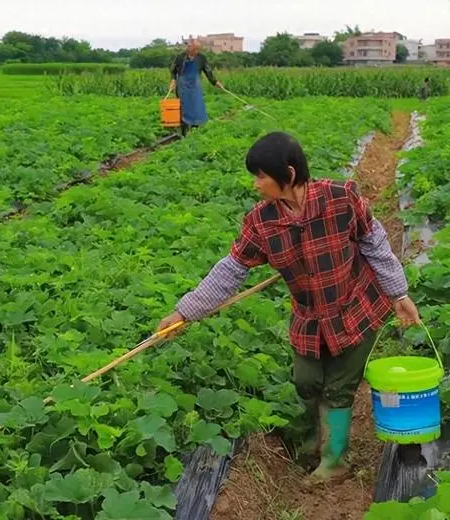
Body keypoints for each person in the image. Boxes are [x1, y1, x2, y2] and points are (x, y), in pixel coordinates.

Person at [157, 132, 420, 481]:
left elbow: (375, 244)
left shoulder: (341, 199)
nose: (255, 184)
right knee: (306, 381)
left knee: (338, 388)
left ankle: (335, 461)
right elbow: (231, 271)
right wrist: (184, 312)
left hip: (357, 308)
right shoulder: (262, 223)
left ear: (289, 174)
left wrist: (399, 295)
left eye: (261, 175)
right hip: (310, 318)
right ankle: (313, 444)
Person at [169, 39, 224, 136]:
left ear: (196, 49)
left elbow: (208, 71)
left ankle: (195, 129)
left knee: (196, 107)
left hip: (195, 86)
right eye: (188, 46)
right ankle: (184, 132)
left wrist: (215, 82)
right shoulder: (180, 57)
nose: (188, 48)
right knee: (183, 107)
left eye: (191, 47)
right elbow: (173, 70)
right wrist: (173, 80)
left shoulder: (201, 58)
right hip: (182, 86)